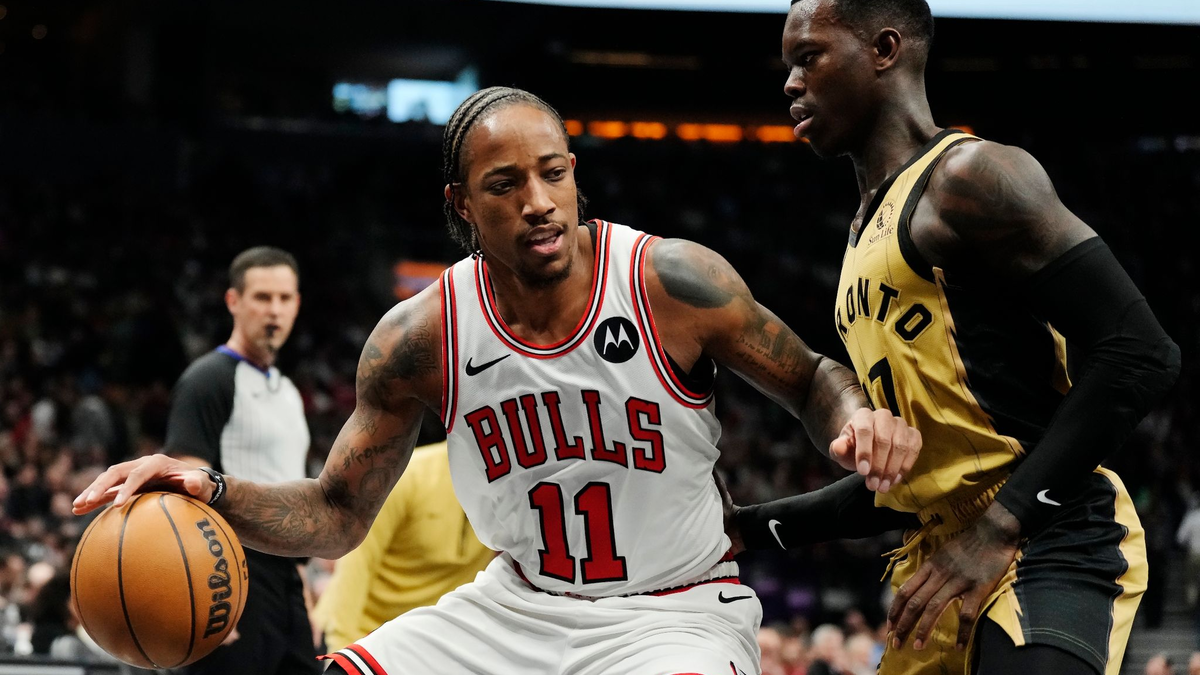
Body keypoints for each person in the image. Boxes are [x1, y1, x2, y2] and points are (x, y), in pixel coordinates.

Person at [73, 86, 922, 675]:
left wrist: (857, 418)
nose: (540, 200)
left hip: (673, 612)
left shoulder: (673, 281)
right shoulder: (421, 336)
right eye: (505, 185)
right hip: (517, 610)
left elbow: (811, 379)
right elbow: (334, 516)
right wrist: (211, 487)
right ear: (463, 204)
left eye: (554, 172)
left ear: (575, 171)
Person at [731, 1, 1181, 674]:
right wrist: (752, 526)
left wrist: (1000, 524)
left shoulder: (970, 178)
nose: (791, 83)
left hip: (1050, 532)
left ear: (884, 49)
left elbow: (1141, 351)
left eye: (809, 58)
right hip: (943, 550)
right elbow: (918, 476)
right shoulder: (861, 233)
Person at [162, 246, 319, 675]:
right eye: (262, 297)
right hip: (231, 573)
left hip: (285, 578)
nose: (275, 310)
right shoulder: (207, 379)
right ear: (234, 301)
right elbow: (182, 487)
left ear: (297, 304)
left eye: (285, 299)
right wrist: (206, 591)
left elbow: (293, 490)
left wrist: (300, 578)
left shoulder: (287, 392)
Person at [312, 441, 495, 651]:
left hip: (426, 643)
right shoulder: (408, 475)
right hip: (363, 637)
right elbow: (357, 567)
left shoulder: (514, 491)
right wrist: (341, 650)